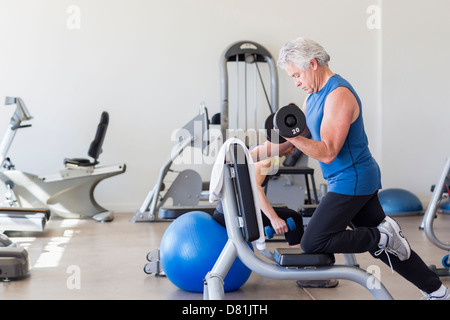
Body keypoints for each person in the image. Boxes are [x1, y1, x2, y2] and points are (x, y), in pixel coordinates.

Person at [250, 37, 448, 300]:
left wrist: (295, 138)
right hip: (345, 181)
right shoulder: (311, 98)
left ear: (312, 64)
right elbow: (291, 145)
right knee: (390, 249)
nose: (296, 81)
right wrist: (247, 153)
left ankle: (380, 236)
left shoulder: (339, 95)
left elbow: (329, 151)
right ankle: (438, 291)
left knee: (314, 241)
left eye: (297, 75)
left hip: (353, 179)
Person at [213, 152, 338, 288]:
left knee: (290, 215)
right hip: (234, 215)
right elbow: (256, 188)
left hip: (226, 213)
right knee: (294, 219)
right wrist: (274, 219)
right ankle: (305, 275)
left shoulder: (260, 153)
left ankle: (302, 268)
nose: (292, 152)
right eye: (291, 146)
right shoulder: (267, 159)